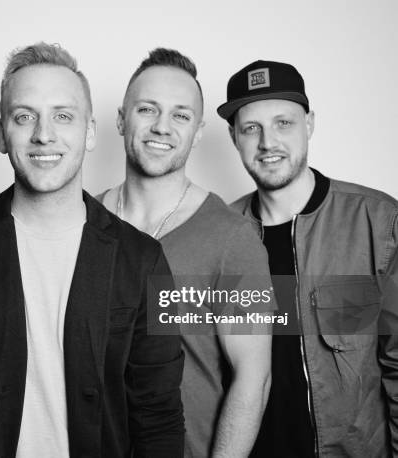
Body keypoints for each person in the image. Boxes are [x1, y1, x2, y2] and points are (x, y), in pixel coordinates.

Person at [0, 42, 184, 458]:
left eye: (63, 116)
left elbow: (159, 417)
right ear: (2, 135)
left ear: (90, 131)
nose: (44, 134)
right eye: (25, 117)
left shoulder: (145, 259)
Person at [98, 48, 273, 458]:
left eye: (180, 115)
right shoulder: (80, 222)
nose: (162, 127)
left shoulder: (234, 238)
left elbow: (254, 377)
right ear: (122, 118)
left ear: (197, 131)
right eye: (147, 109)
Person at [220, 59, 398, 457]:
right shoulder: (217, 234)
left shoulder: (379, 222)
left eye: (283, 123)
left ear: (310, 124)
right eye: (251, 128)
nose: (268, 142)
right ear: (234, 137)